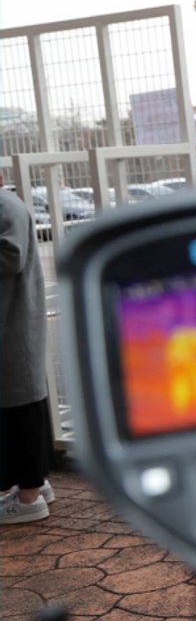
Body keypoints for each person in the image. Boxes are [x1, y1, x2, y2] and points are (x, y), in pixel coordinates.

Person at [0, 176, 55, 524]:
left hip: (13, 324)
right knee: (19, 407)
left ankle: (30, 498)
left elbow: (11, 257)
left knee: (21, 409)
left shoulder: (5, 206)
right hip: (13, 322)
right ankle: (32, 486)